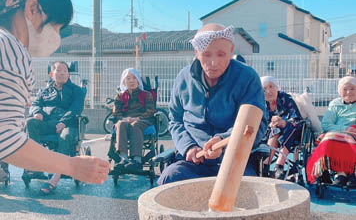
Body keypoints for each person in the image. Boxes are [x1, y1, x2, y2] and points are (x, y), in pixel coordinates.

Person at [0, 0, 109, 184]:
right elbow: (4, 139)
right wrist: (72, 166)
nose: (56, 37)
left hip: (60, 124)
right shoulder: (11, 50)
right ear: (32, 8)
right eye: (55, 27)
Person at [157, 23, 267, 185]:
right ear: (197, 52)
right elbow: (176, 120)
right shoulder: (183, 78)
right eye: (207, 54)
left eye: (221, 54)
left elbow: (256, 124)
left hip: (235, 159)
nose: (213, 62)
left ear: (231, 51)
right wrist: (189, 147)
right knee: (169, 179)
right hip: (192, 162)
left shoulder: (247, 78)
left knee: (246, 190)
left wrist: (222, 141)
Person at [22, 61, 85, 194]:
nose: (62, 73)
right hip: (49, 122)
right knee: (30, 122)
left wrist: (63, 122)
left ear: (68, 74)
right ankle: (36, 165)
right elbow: (35, 104)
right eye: (58, 70)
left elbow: (75, 109)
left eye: (65, 71)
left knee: (66, 136)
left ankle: (55, 178)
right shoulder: (45, 91)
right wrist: (37, 112)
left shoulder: (77, 90)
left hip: (68, 124)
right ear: (52, 74)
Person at [307, 76, 356, 187]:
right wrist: (345, 129)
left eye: (352, 88)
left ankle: (347, 172)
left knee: (347, 138)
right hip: (339, 132)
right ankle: (341, 173)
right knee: (330, 139)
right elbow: (326, 125)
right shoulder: (335, 104)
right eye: (345, 89)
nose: (349, 92)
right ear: (339, 92)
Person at [111, 68, 155, 171]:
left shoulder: (146, 95)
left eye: (134, 78)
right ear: (124, 81)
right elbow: (116, 112)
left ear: (138, 80)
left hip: (142, 120)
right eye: (128, 78)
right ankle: (123, 158)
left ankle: (137, 159)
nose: (131, 81)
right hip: (125, 120)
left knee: (135, 125)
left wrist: (137, 118)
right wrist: (124, 119)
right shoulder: (120, 96)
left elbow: (150, 111)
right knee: (121, 124)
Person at [260, 76, 303, 179]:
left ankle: (279, 164)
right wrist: (270, 124)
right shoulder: (261, 103)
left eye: (271, 87)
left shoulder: (285, 98)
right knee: (275, 129)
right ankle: (266, 164)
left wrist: (283, 122)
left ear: (277, 88)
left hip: (292, 133)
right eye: (264, 89)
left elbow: (296, 119)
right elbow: (259, 123)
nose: (269, 91)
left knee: (289, 127)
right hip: (271, 135)